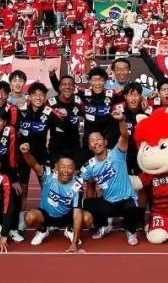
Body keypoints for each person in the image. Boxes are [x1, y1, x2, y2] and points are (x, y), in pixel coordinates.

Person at [79, 106, 143, 245]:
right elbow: (77, 181)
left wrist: (121, 120)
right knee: (84, 204)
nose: (96, 142)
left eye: (98, 139)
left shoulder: (117, 153)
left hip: (126, 200)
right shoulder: (89, 166)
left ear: (105, 142)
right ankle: (104, 225)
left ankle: (130, 231)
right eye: (92, 141)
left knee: (133, 208)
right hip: (108, 202)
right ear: (89, 147)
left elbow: (125, 136)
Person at [19, 143, 91, 251]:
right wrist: (26, 153)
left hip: (66, 216)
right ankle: (43, 229)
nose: (66, 171)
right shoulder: (48, 175)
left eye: (70, 167)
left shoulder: (77, 185)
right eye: (63, 167)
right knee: (29, 218)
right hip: (46, 215)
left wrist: (74, 243)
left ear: (74, 169)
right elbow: (34, 164)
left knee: (87, 218)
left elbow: (77, 214)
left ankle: (70, 230)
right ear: (56, 168)